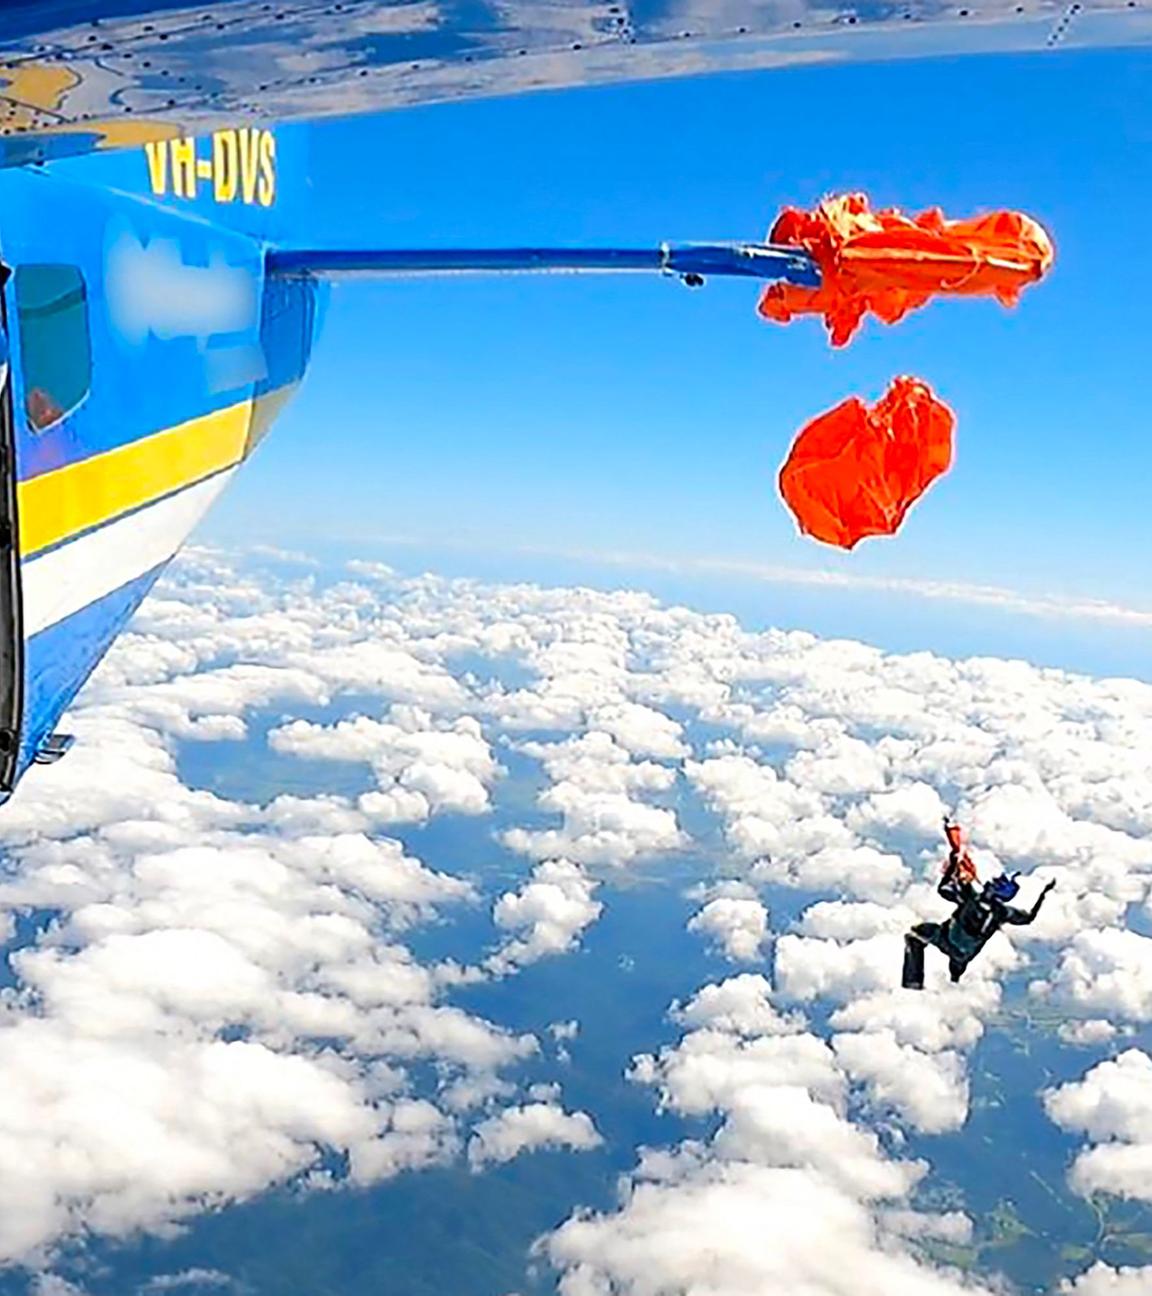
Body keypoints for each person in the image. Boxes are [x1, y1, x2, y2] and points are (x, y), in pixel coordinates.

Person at [901, 817, 1056, 989]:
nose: (992, 881)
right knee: (957, 965)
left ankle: (913, 983)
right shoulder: (1002, 913)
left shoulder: (973, 898)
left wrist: (954, 863)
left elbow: (944, 888)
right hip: (964, 954)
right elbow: (1029, 918)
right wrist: (1044, 894)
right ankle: (954, 980)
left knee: (914, 935)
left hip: (946, 938)